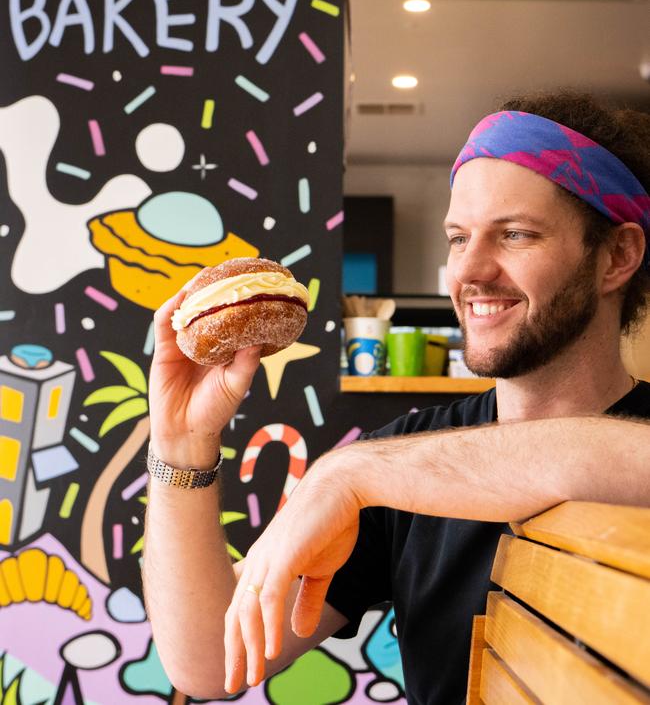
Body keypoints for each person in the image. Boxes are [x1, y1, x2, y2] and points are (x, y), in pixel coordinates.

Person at [142, 91, 650, 705]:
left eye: (515, 235)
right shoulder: (400, 470)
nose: (471, 271)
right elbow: (207, 663)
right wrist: (181, 446)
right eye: (459, 237)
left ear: (617, 256)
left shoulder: (386, 471)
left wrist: (353, 471)